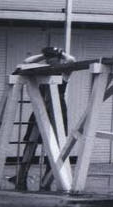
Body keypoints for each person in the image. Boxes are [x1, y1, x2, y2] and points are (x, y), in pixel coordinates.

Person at [14, 45, 74, 189]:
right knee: (31, 141)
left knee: (56, 144)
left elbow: (72, 60)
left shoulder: (63, 71)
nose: (50, 62)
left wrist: (61, 52)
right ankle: (22, 174)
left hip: (57, 109)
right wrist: (43, 55)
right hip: (40, 107)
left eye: (52, 59)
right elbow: (26, 61)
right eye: (48, 59)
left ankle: (49, 177)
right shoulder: (42, 69)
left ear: (59, 59)